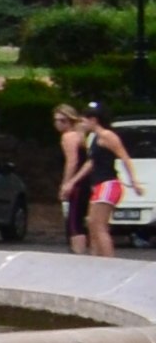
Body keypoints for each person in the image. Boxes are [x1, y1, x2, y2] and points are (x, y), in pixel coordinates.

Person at [61, 106, 132, 258]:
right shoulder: (95, 138)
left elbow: (124, 157)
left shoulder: (107, 135)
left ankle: (109, 260)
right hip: (99, 185)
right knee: (91, 223)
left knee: (99, 226)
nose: (82, 124)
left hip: (108, 183)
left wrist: (134, 181)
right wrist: (72, 181)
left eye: (84, 121)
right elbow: (90, 163)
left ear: (93, 120)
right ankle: (96, 257)